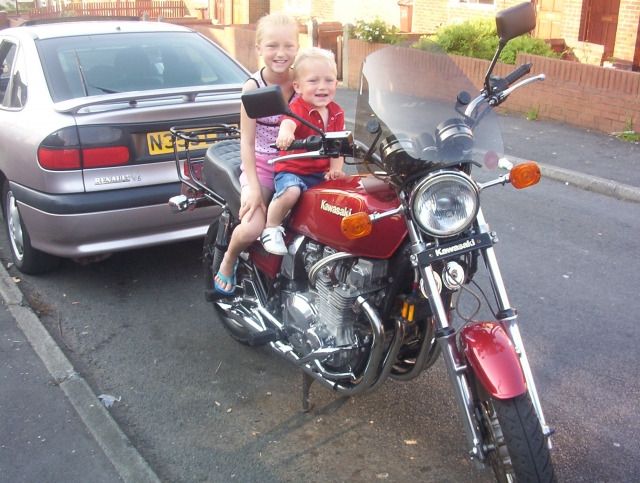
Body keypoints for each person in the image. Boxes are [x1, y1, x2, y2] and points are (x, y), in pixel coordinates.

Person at [213, 12, 299, 294]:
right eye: (272, 45)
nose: (281, 53)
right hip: (262, 166)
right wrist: (251, 189)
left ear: (297, 47)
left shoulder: (303, 81)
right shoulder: (253, 87)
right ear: (259, 48)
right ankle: (229, 259)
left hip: (297, 165)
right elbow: (247, 143)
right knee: (251, 227)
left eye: (288, 45)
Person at [260, 47, 345, 255]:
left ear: (336, 83)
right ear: (297, 86)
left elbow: (338, 146)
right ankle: (271, 228)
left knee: (345, 197)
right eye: (313, 81)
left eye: (328, 80)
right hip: (293, 171)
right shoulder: (298, 108)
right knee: (291, 192)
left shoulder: (337, 112)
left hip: (320, 173)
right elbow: (288, 123)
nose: (322, 86)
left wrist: (335, 169)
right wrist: (285, 134)